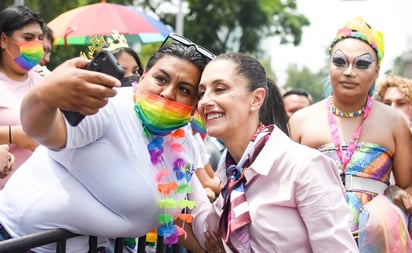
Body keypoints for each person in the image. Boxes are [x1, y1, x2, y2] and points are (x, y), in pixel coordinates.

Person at [0, 33, 213, 252]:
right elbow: (44, 132)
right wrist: (43, 97)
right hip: (19, 242)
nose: (168, 93)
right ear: (143, 76)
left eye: (184, 89)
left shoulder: (182, 133)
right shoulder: (107, 105)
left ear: (195, 104)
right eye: (161, 79)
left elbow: (186, 194)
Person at [189, 52, 358, 252]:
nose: (205, 101)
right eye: (201, 93)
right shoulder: (232, 173)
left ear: (256, 99)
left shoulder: (304, 166)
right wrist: (177, 151)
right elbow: (207, 232)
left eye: (220, 89)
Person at [289, 16, 412, 252]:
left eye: (362, 64)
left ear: (376, 71)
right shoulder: (301, 121)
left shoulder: (395, 122)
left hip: (377, 241)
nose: (349, 72)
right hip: (311, 239)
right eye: (339, 62)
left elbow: (408, 186)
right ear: (329, 66)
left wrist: (384, 211)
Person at [0, 5, 44, 189]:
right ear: (3, 39)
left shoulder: (46, 80)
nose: (36, 44)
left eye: (39, 38)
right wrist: (12, 134)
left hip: (41, 193)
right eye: (28, 38)